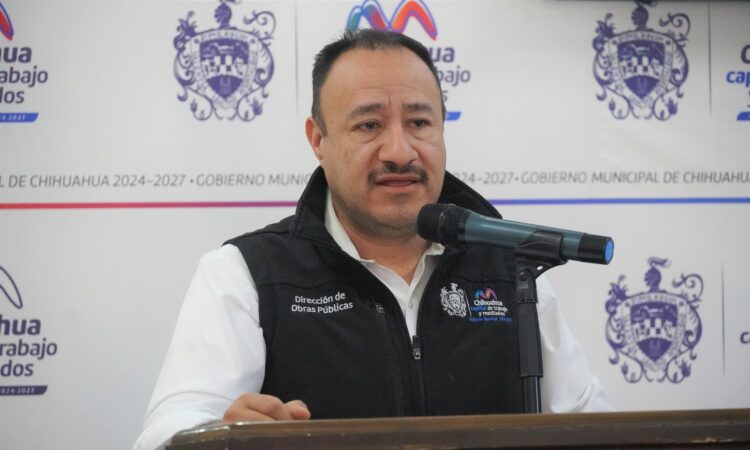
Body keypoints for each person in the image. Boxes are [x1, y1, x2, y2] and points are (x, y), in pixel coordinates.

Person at [134, 29, 612, 450]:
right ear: (318, 140)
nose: (400, 151)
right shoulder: (247, 273)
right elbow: (168, 433)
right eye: (369, 125)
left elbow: (593, 426)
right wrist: (224, 436)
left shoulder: (513, 268)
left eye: (419, 123)